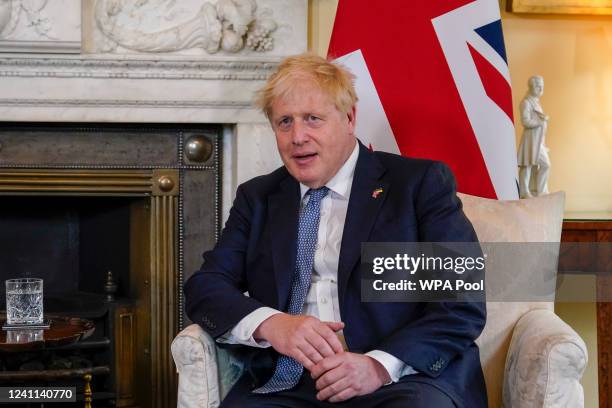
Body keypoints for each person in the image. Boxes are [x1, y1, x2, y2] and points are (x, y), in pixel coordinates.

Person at [184, 53, 487, 407]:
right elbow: (206, 287)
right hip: (287, 382)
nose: (298, 136)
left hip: (400, 379)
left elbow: (461, 304)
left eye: (313, 119)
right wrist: (273, 324)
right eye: (284, 122)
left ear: (349, 118)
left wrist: (377, 365)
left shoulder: (418, 185)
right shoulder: (258, 197)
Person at [518, 75, 550, 198]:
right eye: (538, 86)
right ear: (531, 86)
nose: (541, 89)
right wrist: (540, 122)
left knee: (544, 164)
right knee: (527, 165)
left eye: (542, 86)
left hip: (538, 141)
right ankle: (524, 191)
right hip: (531, 140)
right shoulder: (526, 102)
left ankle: (540, 190)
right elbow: (525, 121)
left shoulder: (535, 102)